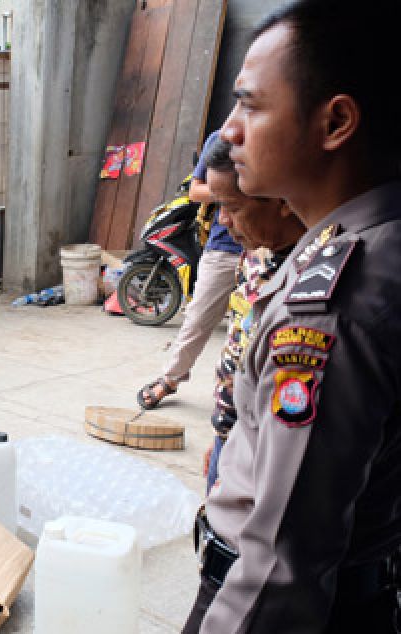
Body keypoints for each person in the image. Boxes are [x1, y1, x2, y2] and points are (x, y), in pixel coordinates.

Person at [183, 1, 401, 631]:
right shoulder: (377, 244)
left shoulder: (335, 303)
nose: (229, 131)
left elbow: (285, 562)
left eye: (250, 104)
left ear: (335, 122)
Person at [196, 138, 304, 494]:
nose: (222, 220)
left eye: (231, 206)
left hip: (268, 455)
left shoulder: (311, 276)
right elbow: (237, 345)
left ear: (281, 201)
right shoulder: (256, 255)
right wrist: (222, 433)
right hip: (234, 436)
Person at [136, 130, 242, 409]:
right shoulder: (221, 139)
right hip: (224, 248)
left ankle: (241, 397)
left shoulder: (280, 140)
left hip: (267, 250)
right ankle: (170, 379)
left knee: (249, 330)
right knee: (197, 318)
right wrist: (236, 191)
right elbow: (196, 190)